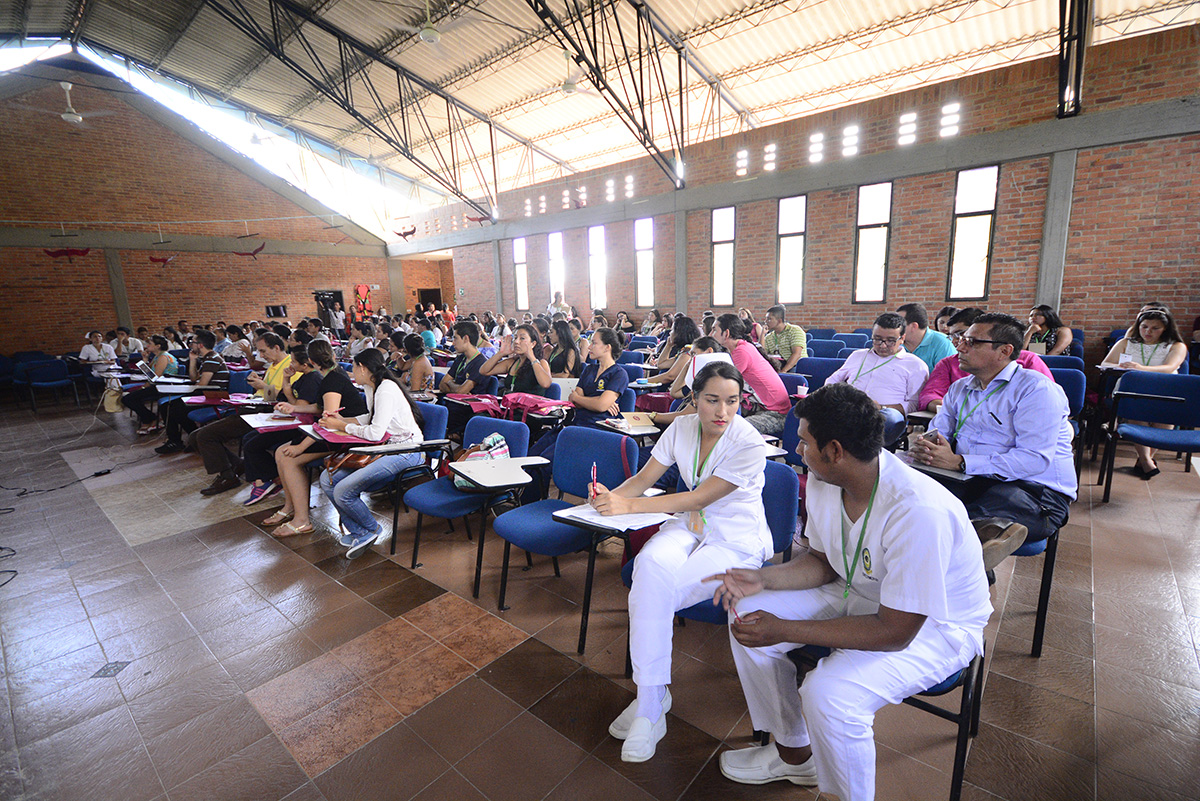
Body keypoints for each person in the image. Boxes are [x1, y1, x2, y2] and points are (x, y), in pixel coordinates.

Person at [712, 383, 991, 800]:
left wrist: (786, 628)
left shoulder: (918, 510)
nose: (797, 450)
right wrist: (763, 579)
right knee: (747, 614)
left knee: (830, 696)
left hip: (936, 624)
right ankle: (794, 754)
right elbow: (823, 563)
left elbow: (894, 632)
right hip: (857, 590)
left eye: (804, 442)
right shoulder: (827, 481)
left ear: (835, 450)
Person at [593, 362, 773, 763]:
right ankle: (653, 698)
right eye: (711, 400)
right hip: (690, 527)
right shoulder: (681, 428)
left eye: (732, 401)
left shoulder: (749, 443)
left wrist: (629, 506)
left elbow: (698, 497)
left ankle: (650, 702)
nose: (722, 412)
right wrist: (609, 501)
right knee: (649, 568)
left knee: (658, 591)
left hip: (735, 539)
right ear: (694, 399)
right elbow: (641, 480)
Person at [911, 312, 1076, 544]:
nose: (960, 347)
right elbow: (938, 434)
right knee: (907, 495)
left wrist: (960, 462)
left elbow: (1033, 460)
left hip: (1034, 491)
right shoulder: (959, 388)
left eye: (972, 342)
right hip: (968, 477)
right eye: (960, 339)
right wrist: (928, 448)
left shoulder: (1036, 389)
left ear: (1004, 351)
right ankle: (973, 553)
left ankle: (971, 552)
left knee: (956, 525)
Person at [319, 348, 426, 557]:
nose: (352, 373)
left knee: (342, 490)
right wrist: (338, 421)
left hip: (407, 451)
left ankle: (372, 529)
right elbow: (369, 420)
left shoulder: (386, 389)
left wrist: (342, 427)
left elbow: (375, 433)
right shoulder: (372, 387)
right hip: (387, 449)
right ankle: (360, 531)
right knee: (327, 478)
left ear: (363, 368)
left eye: (354, 367)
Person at [261, 344, 370, 536]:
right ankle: (290, 506)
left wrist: (302, 447)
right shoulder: (330, 376)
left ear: (311, 362)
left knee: (289, 458)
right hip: (340, 430)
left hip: (348, 435)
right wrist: (294, 408)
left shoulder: (332, 380)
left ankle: (302, 520)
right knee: (281, 452)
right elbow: (320, 408)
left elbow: (329, 420)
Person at [525, 327, 628, 500]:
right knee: (532, 454)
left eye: (594, 343)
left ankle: (530, 503)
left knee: (544, 462)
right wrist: (592, 401)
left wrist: (590, 401)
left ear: (607, 347)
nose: (589, 347)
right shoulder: (589, 369)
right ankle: (525, 499)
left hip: (593, 429)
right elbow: (574, 398)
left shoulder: (619, 374)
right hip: (572, 422)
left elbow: (601, 405)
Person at [187, 332, 295, 496]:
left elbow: (287, 399)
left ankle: (228, 476)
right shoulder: (273, 365)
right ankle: (237, 463)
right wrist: (257, 383)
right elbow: (268, 392)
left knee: (205, 436)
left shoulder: (291, 366)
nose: (261, 356)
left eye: (263, 351)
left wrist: (262, 385)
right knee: (195, 436)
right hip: (254, 406)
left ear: (277, 348)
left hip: (267, 412)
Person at [1099, 307, 1188, 478]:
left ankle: (1145, 458)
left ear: (1166, 329)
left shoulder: (1176, 345)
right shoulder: (1126, 343)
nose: (1148, 331)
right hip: (1133, 389)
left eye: (1155, 328)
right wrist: (1121, 367)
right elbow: (1106, 363)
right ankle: (1147, 462)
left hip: (1165, 389)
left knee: (1166, 418)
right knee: (1134, 411)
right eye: (1144, 326)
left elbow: (1169, 367)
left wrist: (1140, 368)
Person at [920, 307, 1052, 413]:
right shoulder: (957, 380)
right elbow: (930, 396)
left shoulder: (1029, 363)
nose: (958, 344)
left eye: (964, 337)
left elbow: (1044, 403)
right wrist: (960, 410)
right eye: (952, 336)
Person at [825, 312, 928, 443]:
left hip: (883, 414)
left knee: (890, 417)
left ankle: (857, 453)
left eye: (890, 341)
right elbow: (832, 380)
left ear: (902, 338)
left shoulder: (915, 365)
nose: (883, 345)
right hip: (849, 408)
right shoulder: (858, 356)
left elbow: (914, 404)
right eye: (877, 339)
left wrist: (881, 407)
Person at [711, 314, 794, 436]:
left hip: (776, 414)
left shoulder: (741, 352)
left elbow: (723, 385)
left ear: (726, 333)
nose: (710, 334)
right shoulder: (740, 348)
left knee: (730, 429)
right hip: (759, 407)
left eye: (714, 330)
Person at [154, 330, 230, 454]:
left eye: (193, 342)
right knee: (168, 406)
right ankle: (187, 440)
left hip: (213, 395)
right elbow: (194, 378)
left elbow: (202, 385)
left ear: (200, 345)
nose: (191, 345)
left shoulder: (212, 358)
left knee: (174, 408)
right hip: (204, 392)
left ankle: (191, 439)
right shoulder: (207, 358)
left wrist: (189, 388)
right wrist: (193, 360)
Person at [122, 335, 179, 434]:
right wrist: (144, 359)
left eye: (150, 344)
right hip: (156, 385)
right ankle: (150, 418)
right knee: (129, 397)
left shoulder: (163, 356)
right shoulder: (157, 356)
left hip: (165, 387)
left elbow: (155, 377)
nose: (147, 345)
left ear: (158, 346)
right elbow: (149, 373)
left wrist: (144, 387)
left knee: (128, 399)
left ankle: (150, 419)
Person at [480, 324, 552, 396]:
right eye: (515, 338)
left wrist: (532, 357)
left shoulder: (541, 363)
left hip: (531, 405)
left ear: (533, 344)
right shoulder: (512, 362)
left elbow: (545, 384)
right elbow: (484, 371)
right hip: (511, 404)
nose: (516, 341)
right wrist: (501, 353)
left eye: (522, 338)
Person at [897, 302, 957, 374]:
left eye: (899, 324)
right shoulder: (895, 342)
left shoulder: (942, 343)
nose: (894, 327)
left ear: (914, 326)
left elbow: (947, 378)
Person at [761, 305, 807, 373]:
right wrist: (762, 334)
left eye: (769, 319)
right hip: (778, 365)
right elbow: (762, 353)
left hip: (795, 365)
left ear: (779, 321)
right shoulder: (769, 336)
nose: (766, 321)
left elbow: (797, 354)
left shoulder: (795, 331)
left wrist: (783, 371)